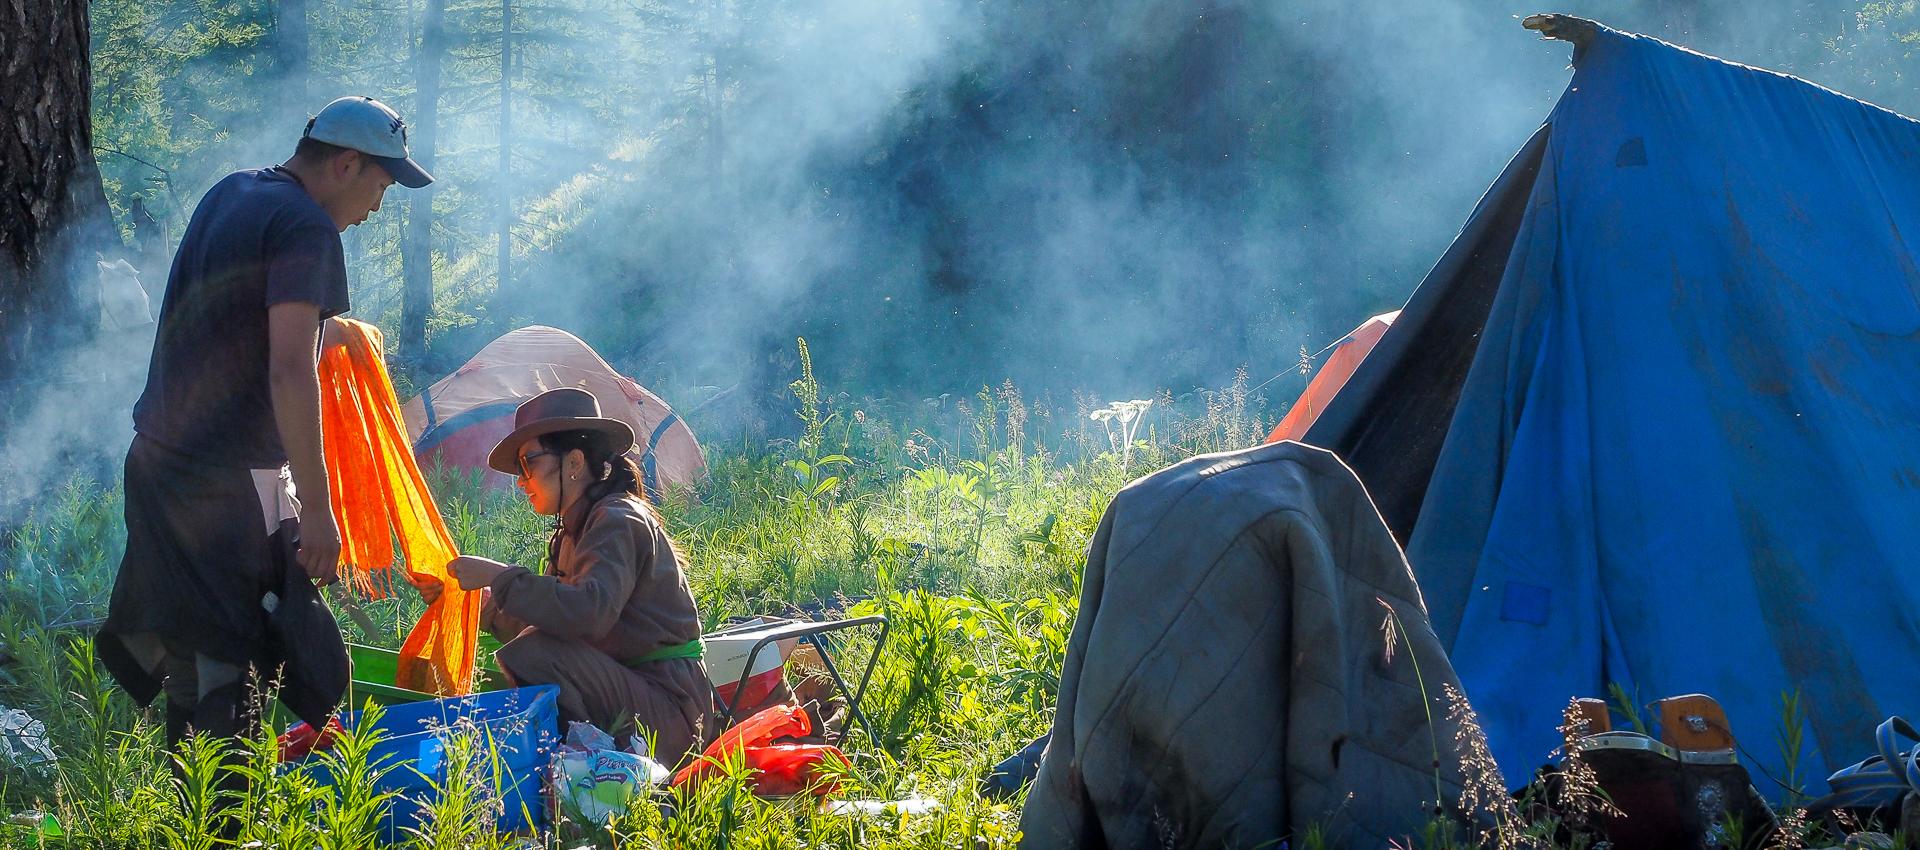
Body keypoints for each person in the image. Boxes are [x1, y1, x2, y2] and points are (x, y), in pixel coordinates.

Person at [96, 96, 433, 752]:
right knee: (242, 660)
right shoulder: (306, 226)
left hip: (159, 465)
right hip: (226, 484)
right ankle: (227, 820)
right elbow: (287, 370)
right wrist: (317, 509)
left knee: (194, 656)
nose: (376, 208)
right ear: (346, 164)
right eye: (381, 186)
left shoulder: (233, 192)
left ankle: (196, 812)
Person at [427, 387, 717, 765]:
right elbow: (556, 622)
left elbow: (587, 615)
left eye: (529, 462)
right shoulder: (574, 530)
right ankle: (575, 767)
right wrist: (475, 604)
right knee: (534, 646)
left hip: (672, 712)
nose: (521, 480)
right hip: (638, 696)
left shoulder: (617, 519)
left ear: (575, 462)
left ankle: (582, 769)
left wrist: (501, 576)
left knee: (532, 652)